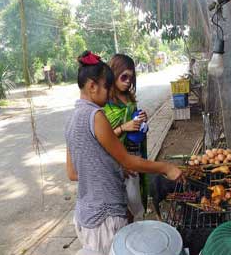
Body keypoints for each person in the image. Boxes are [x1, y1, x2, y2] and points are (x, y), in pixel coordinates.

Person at [65, 50, 182, 255]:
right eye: (106, 86)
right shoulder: (96, 115)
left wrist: (110, 167)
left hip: (84, 217)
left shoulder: (72, 120)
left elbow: (73, 173)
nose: (110, 91)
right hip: (106, 219)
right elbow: (128, 161)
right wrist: (166, 167)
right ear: (92, 86)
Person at [103, 54, 148, 221]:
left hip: (135, 156)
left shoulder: (129, 98)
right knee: (123, 207)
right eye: (124, 77)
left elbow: (133, 122)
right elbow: (102, 139)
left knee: (136, 202)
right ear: (113, 74)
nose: (128, 81)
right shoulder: (105, 103)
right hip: (117, 162)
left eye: (131, 77)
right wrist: (123, 128)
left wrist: (141, 118)